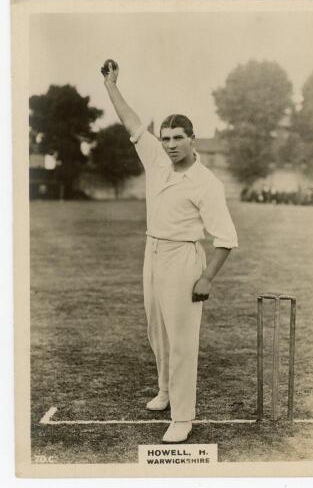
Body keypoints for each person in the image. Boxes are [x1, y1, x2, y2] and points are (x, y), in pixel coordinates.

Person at [101, 60, 238, 443]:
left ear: (193, 139)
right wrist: (111, 85)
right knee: (156, 331)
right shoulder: (156, 160)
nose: (172, 145)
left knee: (181, 340)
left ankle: (183, 416)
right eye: (166, 138)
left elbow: (226, 237)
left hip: (183, 258)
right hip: (153, 250)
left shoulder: (206, 183)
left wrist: (207, 277)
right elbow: (131, 122)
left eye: (179, 138)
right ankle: (164, 391)